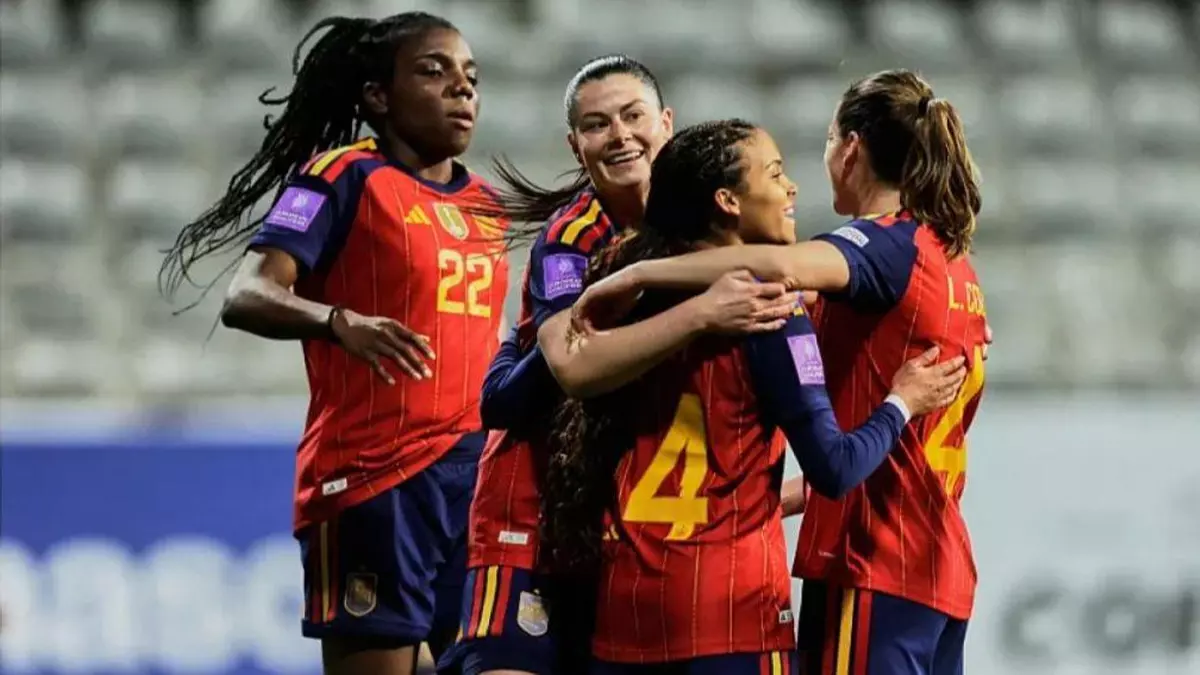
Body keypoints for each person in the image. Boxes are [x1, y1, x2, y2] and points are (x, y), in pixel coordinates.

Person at [567, 70, 989, 675]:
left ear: (851, 149)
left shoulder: (872, 251)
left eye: (824, 141)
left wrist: (636, 274)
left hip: (871, 559)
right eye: (775, 173)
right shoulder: (951, 263)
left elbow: (776, 265)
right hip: (935, 566)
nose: (794, 183)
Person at [160, 13, 507, 675]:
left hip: (476, 477)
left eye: (471, 76)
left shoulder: (488, 204)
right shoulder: (340, 176)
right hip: (373, 478)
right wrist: (337, 320)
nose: (461, 89)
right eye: (433, 71)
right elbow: (247, 293)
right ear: (378, 95)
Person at [438, 56, 799, 675]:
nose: (620, 135)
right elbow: (565, 371)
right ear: (575, 146)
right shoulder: (573, 238)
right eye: (597, 124)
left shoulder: (711, 229)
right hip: (531, 510)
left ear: (667, 123)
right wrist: (700, 310)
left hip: (623, 527)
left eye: (633, 116)